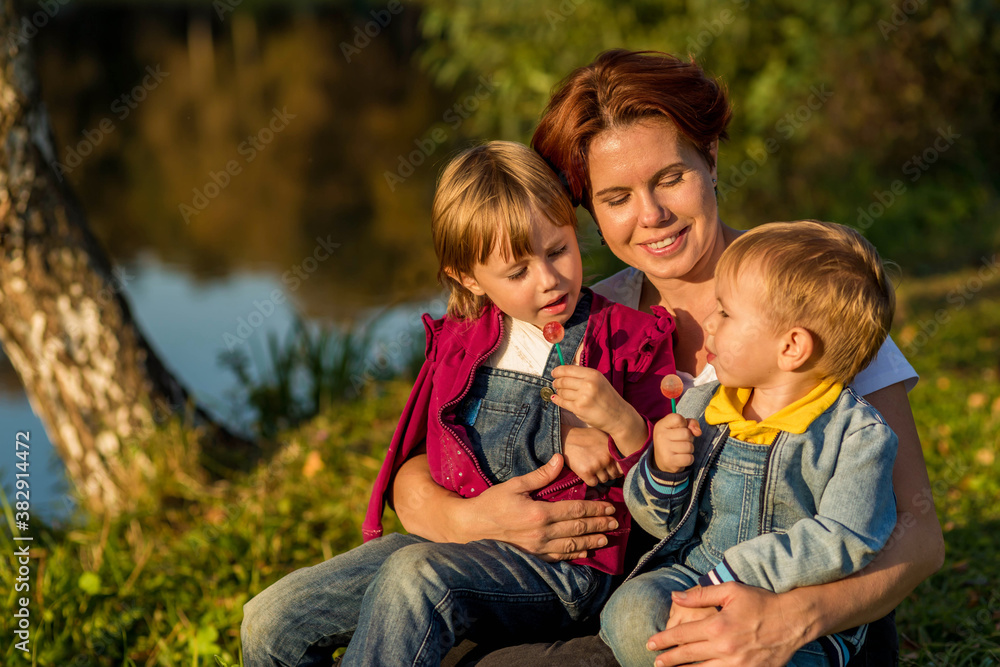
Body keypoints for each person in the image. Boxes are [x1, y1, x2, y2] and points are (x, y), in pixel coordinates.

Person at [391, 50, 943, 666]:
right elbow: (425, 460)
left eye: (670, 178)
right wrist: (457, 518)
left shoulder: (811, 303)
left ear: (709, 160)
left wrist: (785, 621)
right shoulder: (593, 319)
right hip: (648, 598)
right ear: (589, 211)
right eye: (616, 196)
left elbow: (919, 537)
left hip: (804, 623)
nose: (650, 216)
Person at [240, 140, 677, 666]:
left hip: (563, 567)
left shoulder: (629, 337)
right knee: (272, 619)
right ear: (468, 277)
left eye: (559, 250)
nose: (548, 279)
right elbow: (421, 460)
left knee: (415, 579)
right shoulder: (458, 344)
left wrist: (616, 425)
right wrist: (462, 515)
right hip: (455, 542)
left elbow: (670, 485)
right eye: (516, 272)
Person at [600, 220, 899, 667]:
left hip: (791, 604)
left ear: (791, 347)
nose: (709, 322)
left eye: (726, 313)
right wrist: (661, 469)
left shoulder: (857, 437)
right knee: (631, 612)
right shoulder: (702, 405)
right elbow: (663, 523)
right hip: (691, 576)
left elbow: (847, 538)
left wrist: (740, 572)